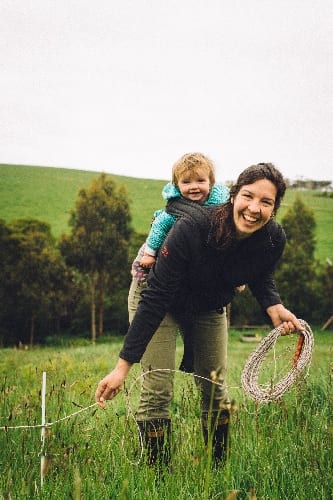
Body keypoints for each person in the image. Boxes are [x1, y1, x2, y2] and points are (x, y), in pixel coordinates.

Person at [95, 162, 302, 468]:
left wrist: (273, 306)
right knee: (157, 386)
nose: (254, 208)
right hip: (160, 299)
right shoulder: (192, 228)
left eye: (266, 202)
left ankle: (216, 470)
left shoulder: (272, 238)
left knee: (214, 387)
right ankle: (158, 476)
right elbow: (155, 298)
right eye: (248, 196)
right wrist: (122, 368)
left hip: (207, 304)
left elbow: (260, 273)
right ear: (233, 195)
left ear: (275, 207)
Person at [130, 152, 235, 373]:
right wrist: (149, 254)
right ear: (177, 185)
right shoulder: (173, 209)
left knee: (214, 380)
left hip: (198, 287)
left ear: (211, 182)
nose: (193, 187)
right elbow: (157, 231)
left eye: (200, 181)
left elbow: (230, 243)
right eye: (186, 182)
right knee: (158, 381)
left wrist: (237, 276)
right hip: (160, 268)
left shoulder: (224, 208)